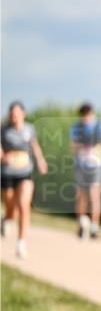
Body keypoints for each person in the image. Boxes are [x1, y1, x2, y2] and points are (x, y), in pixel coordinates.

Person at [1, 102, 49, 258]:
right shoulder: (4, 130)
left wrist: (41, 161)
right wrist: (2, 156)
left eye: (17, 113)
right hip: (7, 173)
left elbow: (34, 146)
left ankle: (21, 243)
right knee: (11, 208)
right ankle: (6, 219)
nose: (14, 116)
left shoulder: (29, 129)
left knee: (23, 206)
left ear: (23, 113)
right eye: (12, 114)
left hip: (25, 172)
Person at [71, 103, 101, 239]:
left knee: (95, 195)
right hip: (82, 165)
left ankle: (95, 226)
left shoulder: (100, 126)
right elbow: (72, 146)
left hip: (97, 164)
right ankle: (81, 224)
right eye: (84, 115)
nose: (86, 117)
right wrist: (82, 145)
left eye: (88, 114)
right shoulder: (77, 128)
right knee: (81, 196)